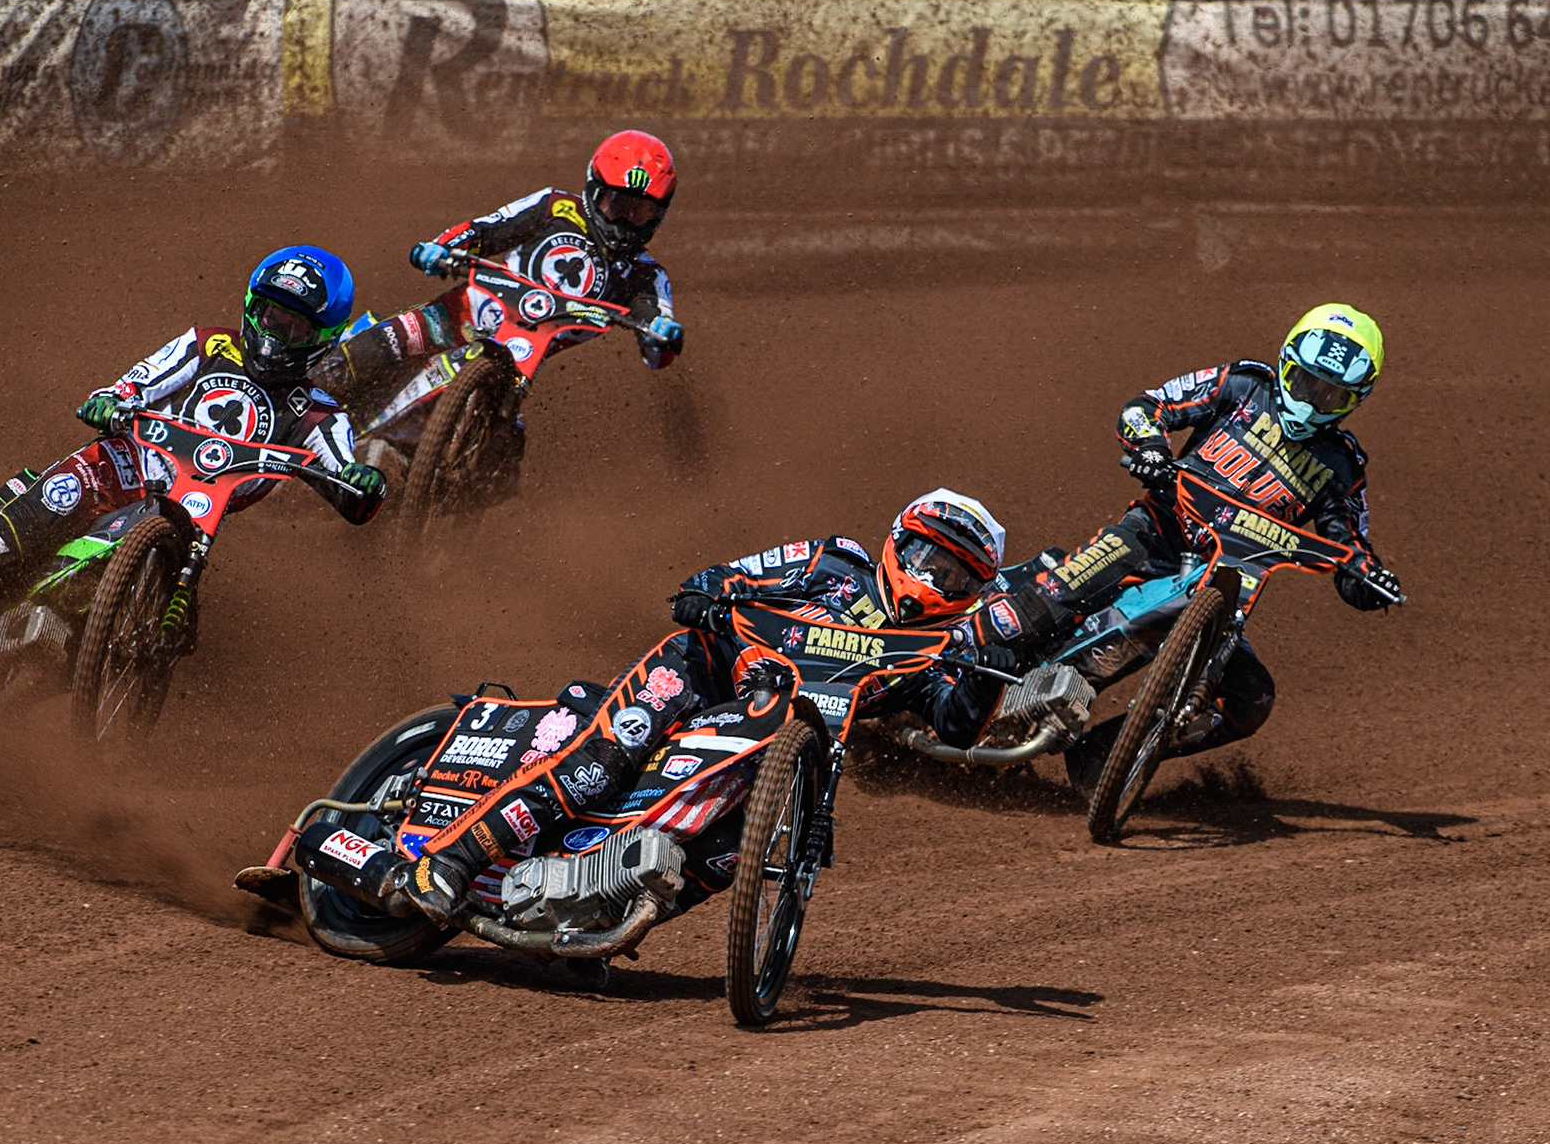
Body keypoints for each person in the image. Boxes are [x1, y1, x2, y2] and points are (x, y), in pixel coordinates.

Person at [388, 489, 1023, 923]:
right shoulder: (835, 562)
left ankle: (593, 912)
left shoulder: (924, 652)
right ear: (898, 544)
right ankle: (451, 859)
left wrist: (998, 667)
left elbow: (957, 722)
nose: (935, 581)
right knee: (601, 763)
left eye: (957, 576)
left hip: (770, 750)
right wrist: (706, 596)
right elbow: (722, 577)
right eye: (927, 560)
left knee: (731, 851)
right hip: (699, 675)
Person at [0, 245, 388, 687]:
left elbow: (342, 467)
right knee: (13, 535)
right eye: (270, 312)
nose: (276, 330)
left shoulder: (317, 411)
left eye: (295, 324)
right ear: (251, 304)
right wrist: (114, 398)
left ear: (322, 336)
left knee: (119, 600)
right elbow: (144, 379)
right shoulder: (209, 344)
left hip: (186, 514)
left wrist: (360, 482)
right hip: (124, 464)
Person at [990, 303, 1403, 790]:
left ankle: (1109, 754)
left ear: (1355, 401)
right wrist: (1149, 448)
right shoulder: (1245, 384)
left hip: (1227, 589)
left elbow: (1348, 548)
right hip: (1155, 534)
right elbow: (1148, 406)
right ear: (1286, 363)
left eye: (1331, 395)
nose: (1313, 402)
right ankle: (955, 671)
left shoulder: (1342, 466)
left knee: (1251, 698)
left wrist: (1369, 580)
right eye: (1306, 383)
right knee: (1053, 596)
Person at [312, 130, 684, 466]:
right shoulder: (555, 207)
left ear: (658, 216)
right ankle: (275, 406)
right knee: (362, 353)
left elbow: (656, 342)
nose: (624, 222)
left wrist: (662, 334)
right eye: (617, 206)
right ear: (594, 190)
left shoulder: (646, 276)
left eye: (641, 213)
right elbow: (487, 230)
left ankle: (439, 512)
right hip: (459, 313)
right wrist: (441, 248)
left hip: (515, 366)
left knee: (503, 455)